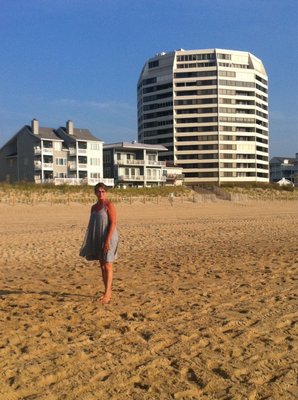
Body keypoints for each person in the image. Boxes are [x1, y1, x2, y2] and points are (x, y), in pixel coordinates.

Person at [80, 182, 118, 304]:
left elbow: (113, 223)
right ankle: (107, 292)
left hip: (109, 237)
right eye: (98, 191)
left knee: (108, 265)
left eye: (103, 191)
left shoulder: (109, 205)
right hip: (98, 237)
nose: (101, 193)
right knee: (102, 265)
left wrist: (107, 240)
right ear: (95, 193)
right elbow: (93, 224)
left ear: (105, 192)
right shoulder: (93, 207)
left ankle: (107, 294)